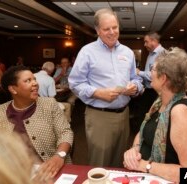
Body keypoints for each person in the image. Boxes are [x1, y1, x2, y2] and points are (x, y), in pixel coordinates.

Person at [68, 8, 143, 167]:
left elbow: (136, 78)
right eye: (106, 29)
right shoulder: (87, 52)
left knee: (120, 163)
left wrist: (135, 87)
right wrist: (97, 93)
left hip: (124, 115)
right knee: (100, 164)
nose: (112, 32)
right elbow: (74, 82)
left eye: (115, 27)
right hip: (99, 117)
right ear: (97, 30)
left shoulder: (128, 52)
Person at [123, 47, 187, 183]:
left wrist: (146, 165)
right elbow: (144, 131)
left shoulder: (180, 111)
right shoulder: (160, 101)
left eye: (153, 68)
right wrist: (134, 150)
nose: (150, 72)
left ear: (163, 78)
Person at [0, 65, 74, 176]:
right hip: (15, 173)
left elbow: (65, 132)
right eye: (28, 80)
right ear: (13, 89)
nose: (35, 83)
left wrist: (60, 155)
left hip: (51, 170)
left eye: (34, 79)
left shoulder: (49, 104)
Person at [134, 32, 165, 130]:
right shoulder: (150, 54)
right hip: (148, 90)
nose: (145, 44)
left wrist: (139, 72)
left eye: (146, 42)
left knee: (151, 117)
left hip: (156, 92)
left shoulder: (162, 54)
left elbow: (157, 76)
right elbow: (149, 72)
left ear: (154, 41)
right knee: (141, 115)